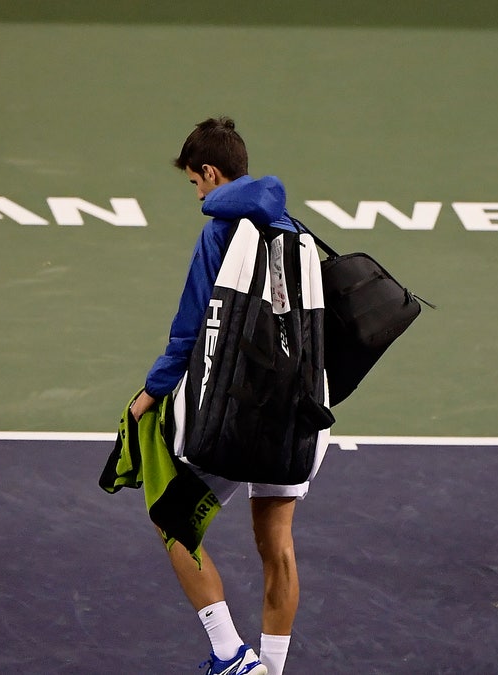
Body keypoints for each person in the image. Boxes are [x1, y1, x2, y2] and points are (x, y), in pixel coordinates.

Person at [129, 117, 322, 675]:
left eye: (195, 183)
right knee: (277, 544)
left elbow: (192, 327)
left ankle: (230, 654)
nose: (198, 193)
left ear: (211, 173)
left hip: (237, 414)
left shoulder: (220, 232)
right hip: (298, 411)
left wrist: (151, 391)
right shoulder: (296, 229)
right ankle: (272, 671)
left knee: (173, 522)